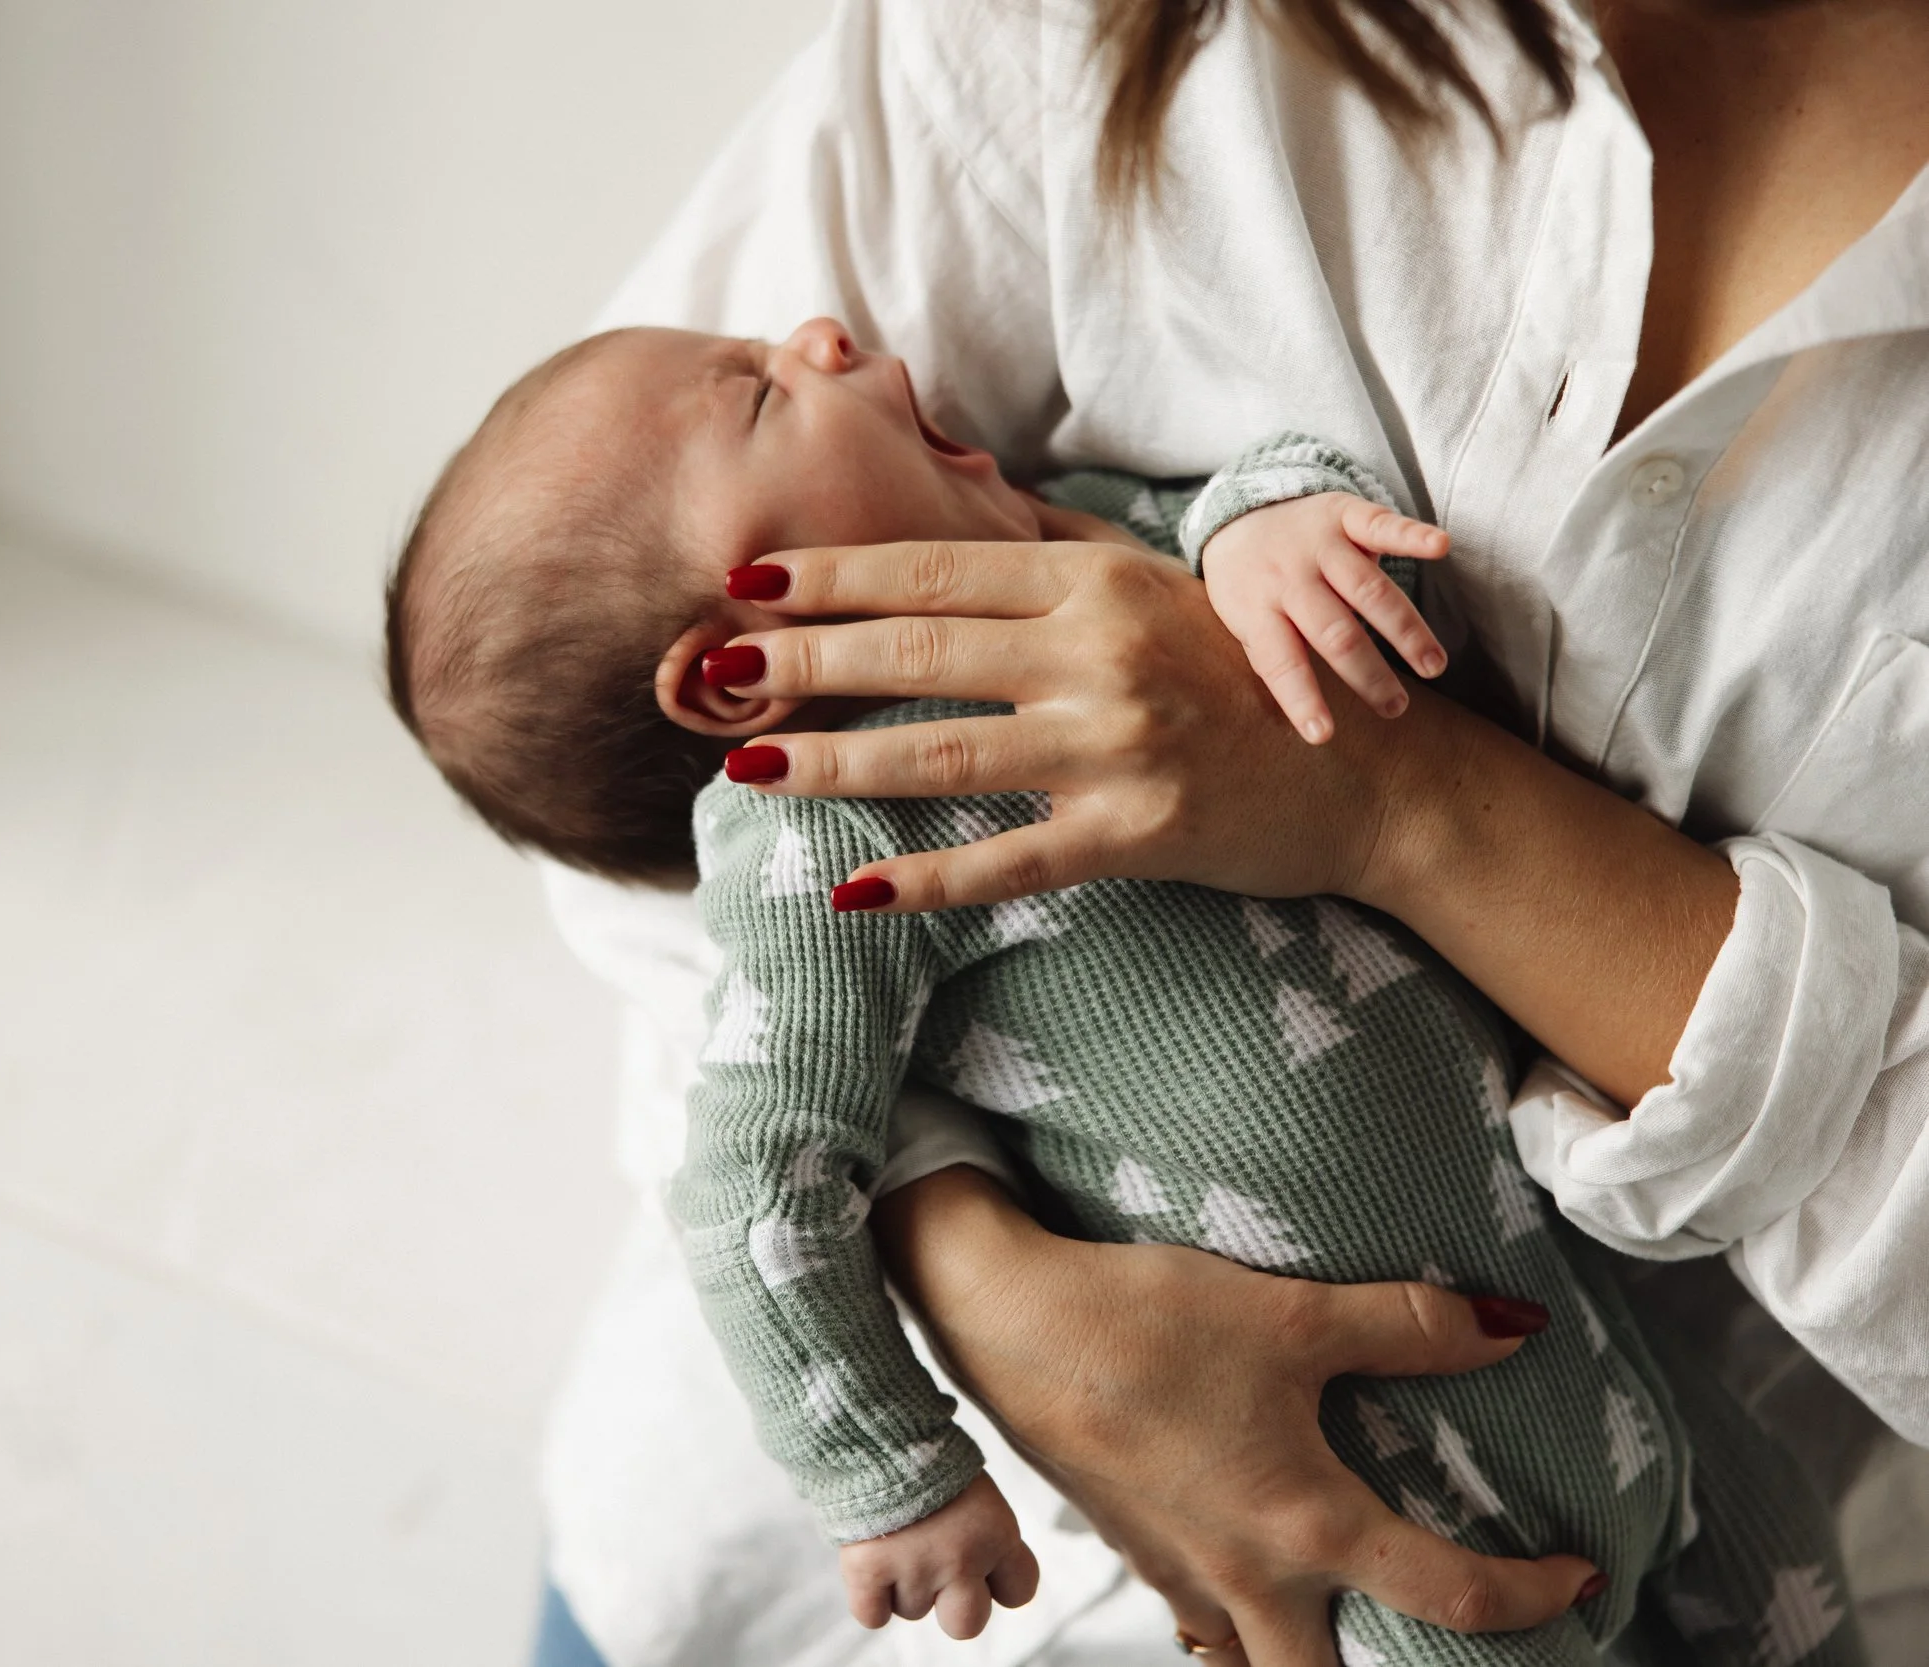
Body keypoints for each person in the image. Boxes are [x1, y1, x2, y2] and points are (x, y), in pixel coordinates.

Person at [531, 0, 1929, 1662]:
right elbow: (694, 1034)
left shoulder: (1083, 552)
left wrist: (1299, 600)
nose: (820, 336)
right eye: (763, 398)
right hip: (1252, 1566)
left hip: (1625, 1390)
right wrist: (952, 1364)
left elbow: (1252, 503)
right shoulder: (788, 830)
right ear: (727, 677)